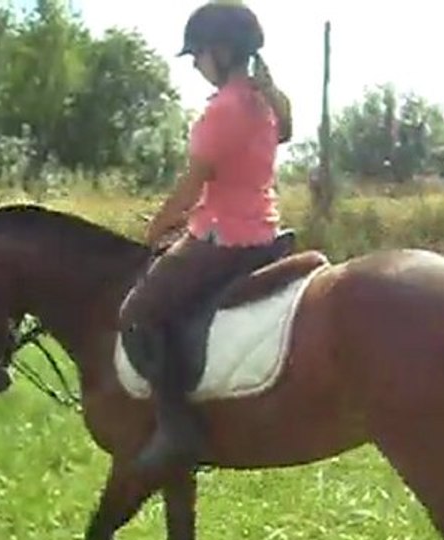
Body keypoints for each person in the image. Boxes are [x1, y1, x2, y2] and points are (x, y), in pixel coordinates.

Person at [118, 0, 293, 471]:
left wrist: (154, 228)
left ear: (220, 50)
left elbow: (191, 187)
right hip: (263, 230)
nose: (195, 64)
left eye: (197, 54)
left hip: (222, 237)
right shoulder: (266, 102)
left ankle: (176, 428)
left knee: (137, 312)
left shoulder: (222, 110)